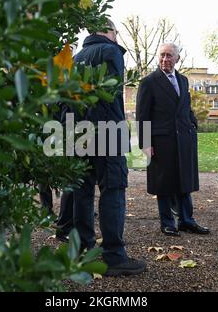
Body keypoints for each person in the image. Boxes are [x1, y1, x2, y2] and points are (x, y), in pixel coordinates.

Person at [73, 19, 146, 277]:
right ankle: (113, 256)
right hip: (106, 130)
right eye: (116, 32)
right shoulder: (111, 51)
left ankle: (83, 252)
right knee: (113, 189)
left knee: (82, 192)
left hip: (77, 131)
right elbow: (110, 93)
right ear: (110, 32)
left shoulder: (77, 56)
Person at [136, 43, 210, 237]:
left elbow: (186, 107)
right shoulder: (149, 82)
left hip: (184, 138)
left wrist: (192, 124)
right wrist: (145, 143)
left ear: (177, 58)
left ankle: (186, 220)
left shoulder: (183, 80)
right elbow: (142, 115)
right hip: (161, 140)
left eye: (169, 56)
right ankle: (167, 222)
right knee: (164, 183)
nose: (165, 59)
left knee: (185, 181)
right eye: (161, 55)